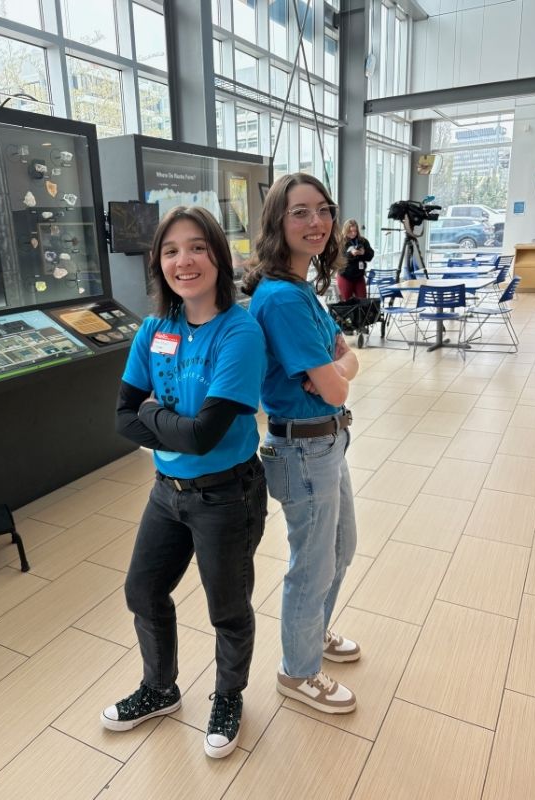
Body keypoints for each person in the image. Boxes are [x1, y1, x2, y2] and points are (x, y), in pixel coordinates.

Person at [101, 206, 267, 759]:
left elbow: (204, 436)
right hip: (166, 492)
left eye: (197, 247)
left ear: (218, 255)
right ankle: (160, 688)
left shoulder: (240, 332)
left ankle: (228, 696)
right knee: (143, 591)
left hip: (227, 495)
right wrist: (164, 422)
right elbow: (122, 418)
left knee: (227, 607)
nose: (184, 261)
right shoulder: (154, 330)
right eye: (171, 251)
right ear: (159, 264)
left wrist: (153, 413)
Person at [243, 173, 360, 715]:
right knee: (312, 565)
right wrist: (336, 372)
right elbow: (336, 385)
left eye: (323, 209)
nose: (317, 222)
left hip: (327, 442)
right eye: (300, 212)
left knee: (340, 549)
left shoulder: (302, 288)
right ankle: (298, 669)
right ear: (278, 222)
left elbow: (347, 358)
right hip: (303, 450)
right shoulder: (282, 299)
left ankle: (311, 635)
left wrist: (338, 368)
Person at [337, 218, 374, 300]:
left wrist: (364, 253)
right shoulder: (341, 242)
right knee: (347, 302)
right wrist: (351, 254)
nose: (353, 233)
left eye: (355, 231)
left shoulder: (363, 241)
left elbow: (370, 256)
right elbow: (338, 258)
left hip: (359, 276)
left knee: (362, 301)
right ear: (346, 231)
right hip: (345, 275)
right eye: (350, 231)